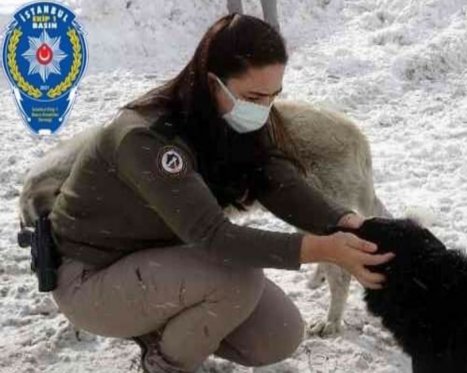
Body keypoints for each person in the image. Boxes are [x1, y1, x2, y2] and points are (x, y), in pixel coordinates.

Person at [49, 13, 394, 373]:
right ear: (213, 82)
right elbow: (213, 236)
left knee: (280, 333)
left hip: (158, 260)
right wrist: (322, 248)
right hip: (91, 278)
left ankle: (163, 322)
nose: (264, 108)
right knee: (238, 278)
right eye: (255, 96)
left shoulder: (225, 117)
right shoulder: (147, 137)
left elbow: (273, 178)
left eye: (273, 96)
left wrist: (342, 220)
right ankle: (164, 366)